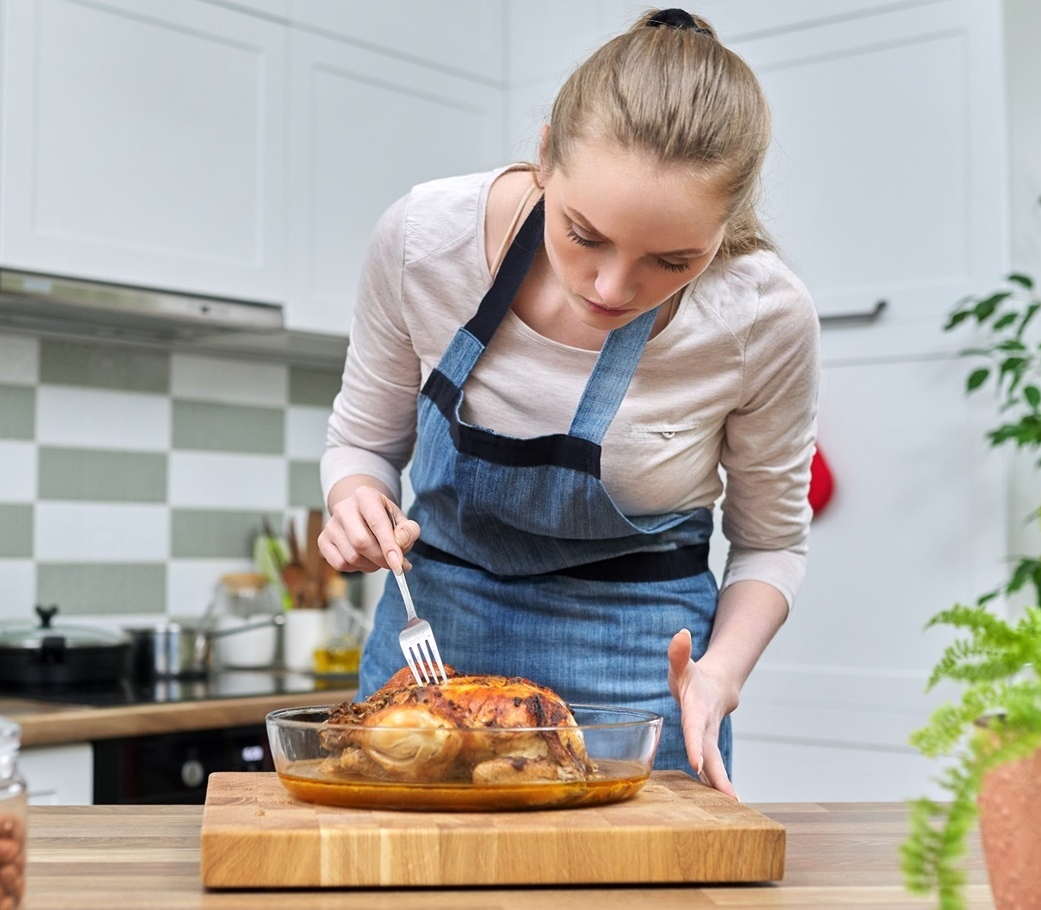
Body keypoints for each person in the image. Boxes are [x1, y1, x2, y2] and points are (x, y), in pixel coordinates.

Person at [317, 7, 819, 797]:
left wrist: (720, 674)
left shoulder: (762, 316)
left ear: (726, 227)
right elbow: (362, 447)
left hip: (639, 671)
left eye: (672, 261)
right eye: (583, 235)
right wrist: (354, 500)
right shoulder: (425, 241)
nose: (613, 288)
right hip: (434, 652)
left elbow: (771, 544)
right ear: (545, 154)